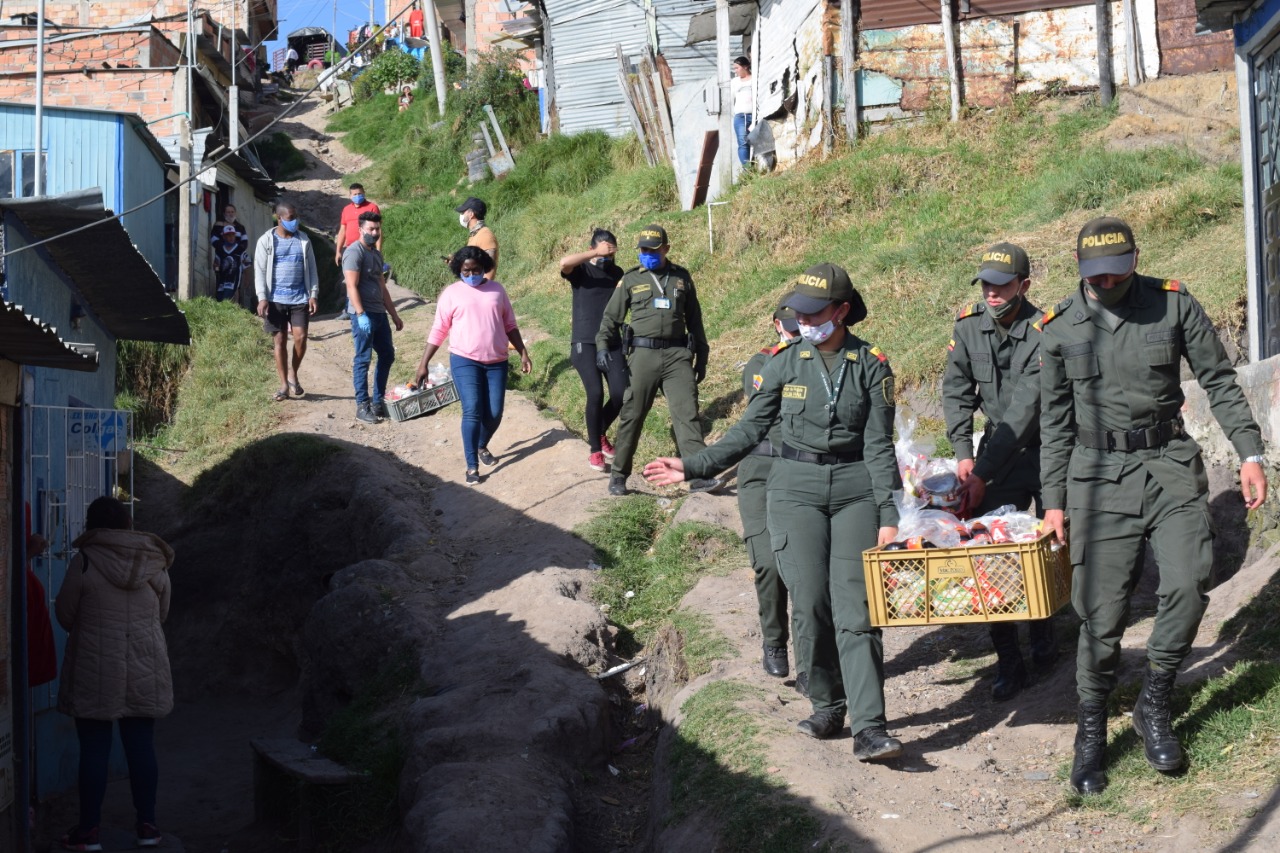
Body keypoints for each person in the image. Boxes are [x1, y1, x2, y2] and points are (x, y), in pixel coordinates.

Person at [1040, 217, 1268, 795]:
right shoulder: (1060, 326)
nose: (1105, 281)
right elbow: (1054, 425)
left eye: (1116, 270)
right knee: (1101, 612)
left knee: (1191, 583)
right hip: (1096, 477)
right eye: (1093, 274)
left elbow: (1218, 379)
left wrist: (1248, 453)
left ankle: (1155, 700)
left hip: (1167, 464)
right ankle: (1091, 731)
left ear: (1136, 259)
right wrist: (1054, 503)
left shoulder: (1173, 304)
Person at [644, 264, 905, 762]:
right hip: (794, 490)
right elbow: (748, 431)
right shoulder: (785, 363)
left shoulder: (872, 364)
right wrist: (693, 464)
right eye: (798, 313)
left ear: (842, 311)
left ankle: (870, 727)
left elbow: (878, 447)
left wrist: (889, 511)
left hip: (854, 492)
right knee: (809, 602)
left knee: (858, 611)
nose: (803, 321)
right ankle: (827, 707)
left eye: (815, 312)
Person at [942, 242, 1056, 701]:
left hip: (1049, 448)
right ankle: (1008, 658)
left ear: (1024, 286)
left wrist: (982, 471)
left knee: (1050, 546)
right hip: (993, 452)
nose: (991, 293)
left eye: (1002, 285)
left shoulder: (1047, 330)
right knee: (984, 548)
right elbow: (955, 389)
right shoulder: (969, 328)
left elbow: (1028, 410)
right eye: (986, 284)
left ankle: (1046, 634)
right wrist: (963, 453)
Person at [55, 496, 174, 851]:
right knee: (141, 746)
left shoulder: (85, 562)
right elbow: (163, 614)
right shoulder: (155, 562)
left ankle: (89, 831)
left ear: (92, 526)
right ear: (127, 524)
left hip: (95, 666)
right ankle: (148, 827)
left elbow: (64, 615)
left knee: (94, 749)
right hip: (144, 663)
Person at [596, 224, 717, 496]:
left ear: (666, 249)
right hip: (642, 356)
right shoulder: (630, 280)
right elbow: (610, 319)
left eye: (652, 249)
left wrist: (702, 356)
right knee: (632, 415)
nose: (646, 253)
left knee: (687, 414)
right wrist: (603, 346)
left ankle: (698, 475)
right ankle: (619, 475)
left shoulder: (681, 278)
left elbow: (695, 320)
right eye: (642, 249)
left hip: (677, 356)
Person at [413, 246, 533, 485]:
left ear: (484, 268)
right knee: (472, 409)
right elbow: (439, 330)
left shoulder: (497, 290)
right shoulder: (451, 294)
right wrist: (423, 363)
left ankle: (481, 445)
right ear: (459, 270)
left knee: (495, 413)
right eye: (465, 271)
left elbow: (510, 325)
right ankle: (471, 466)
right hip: (464, 360)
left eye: (475, 270)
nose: (471, 274)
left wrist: (523, 352)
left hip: (497, 361)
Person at [737, 301, 804, 684]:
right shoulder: (762, 364)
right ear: (777, 326)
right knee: (767, 561)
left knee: (807, 571)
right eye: (792, 328)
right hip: (763, 471)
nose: (798, 335)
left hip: (804, 473)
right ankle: (774, 640)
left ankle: (813, 657)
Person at [559, 228, 628, 471]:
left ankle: (597, 432)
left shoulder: (617, 273)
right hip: (584, 343)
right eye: (602, 252)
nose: (605, 258)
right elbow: (564, 263)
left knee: (622, 394)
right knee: (596, 394)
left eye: (610, 253)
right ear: (592, 249)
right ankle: (595, 451)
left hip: (611, 342)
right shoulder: (581, 270)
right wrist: (594, 254)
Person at [254, 201, 319, 401]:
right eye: (291, 218)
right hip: (275, 300)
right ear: (279, 218)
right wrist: (262, 297)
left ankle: (293, 372)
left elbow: (313, 270)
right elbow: (260, 271)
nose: (295, 221)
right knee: (279, 340)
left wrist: (313, 294)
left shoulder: (304, 240)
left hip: (300, 297)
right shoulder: (266, 241)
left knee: (300, 337)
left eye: (296, 216)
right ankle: (284, 385)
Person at [345, 211, 404, 424]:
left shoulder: (376, 254)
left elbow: (382, 286)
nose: (374, 232)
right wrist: (360, 314)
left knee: (387, 355)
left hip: (379, 313)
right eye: (370, 229)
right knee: (363, 358)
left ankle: (378, 401)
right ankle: (362, 405)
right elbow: (351, 285)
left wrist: (394, 314)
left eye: (377, 229)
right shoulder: (354, 252)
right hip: (364, 314)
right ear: (361, 229)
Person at [453, 197, 499, 277]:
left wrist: (481, 288)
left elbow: (490, 269)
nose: (461, 215)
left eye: (463, 212)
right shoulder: (475, 235)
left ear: (471, 214)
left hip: (482, 288)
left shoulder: (485, 235)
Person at [213, 224, 250, 303]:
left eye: (232, 235)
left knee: (228, 298)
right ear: (224, 237)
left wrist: (247, 278)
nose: (231, 238)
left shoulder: (240, 249)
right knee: (219, 298)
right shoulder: (220, 250)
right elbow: (216, 264)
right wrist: (216, 267)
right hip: (222, 279)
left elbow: (247, 263)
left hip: (234, 279)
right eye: (228, 235)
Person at [731, 56, 754, 166]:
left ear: (745, 66)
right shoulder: (735, 82)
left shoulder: (754, 79)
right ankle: (748, 170)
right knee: (743, 143)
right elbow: (731, 99)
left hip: (754, 115)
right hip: (740, 117)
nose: (735, 71)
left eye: (737, 68)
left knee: (757, 142)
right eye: (734, 69)